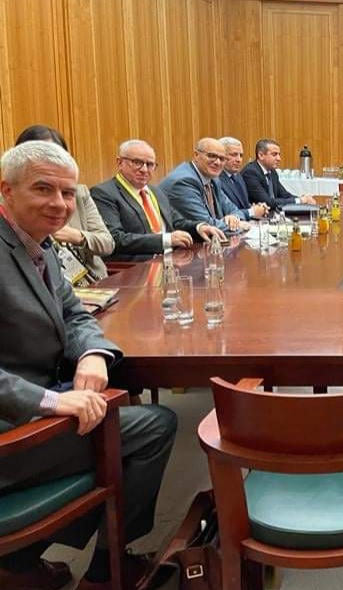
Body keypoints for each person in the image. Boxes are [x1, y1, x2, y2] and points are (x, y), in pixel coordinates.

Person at [0, 141, 177, 590]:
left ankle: (20, 564)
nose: (59, 204)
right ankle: (104, 572)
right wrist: (51, 401)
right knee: (154, 426)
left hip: (35, 406)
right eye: (43, 189)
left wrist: (93, 353)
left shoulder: (35, 242)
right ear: (6, 190)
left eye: (67, 193)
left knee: (116, 407)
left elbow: (76, 314)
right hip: (12, 432)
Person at [92, 140, 224, 261]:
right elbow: (115, 239)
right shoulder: (104, 193)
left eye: (150, 164)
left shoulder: (155, 191)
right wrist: (165, 240)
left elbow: (177, 222)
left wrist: (199, 228)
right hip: (137, 268)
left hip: (171, 261)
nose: (144, 170)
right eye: (137, 162)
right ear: (119, 163)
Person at [14, 125, 114, 282]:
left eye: (58, 156)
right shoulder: (12, 202)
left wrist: (78, 236)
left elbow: (108, 243)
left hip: (93, 282)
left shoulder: (78, 193)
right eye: (44, 156)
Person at [161, 138, 250, 233]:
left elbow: (234, 210)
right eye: (212, 156)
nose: (217, 162)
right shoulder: (184, 181)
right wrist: (237, 225)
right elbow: (205, 223)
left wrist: (234, 218)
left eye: (222, 159)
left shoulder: (213, 179)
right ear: (196, 155)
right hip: (184, 240)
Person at [241, 138, 317, 209]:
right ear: (261, 155)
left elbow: (284, 195)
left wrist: (303, 199)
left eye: (279, 154)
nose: (279, 159)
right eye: (274, 154)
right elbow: (267, 202)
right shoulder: (250, 173)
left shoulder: (272, 172)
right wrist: (300, 200)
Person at [219, 136, 268, 220]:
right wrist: (252, 211)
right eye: (234, 155)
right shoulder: (215, 179)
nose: (239, 160)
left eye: (241, 155)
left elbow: (244, 204)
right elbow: (226, 213)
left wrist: (257, 208)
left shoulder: (238, 176)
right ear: (221, 156)